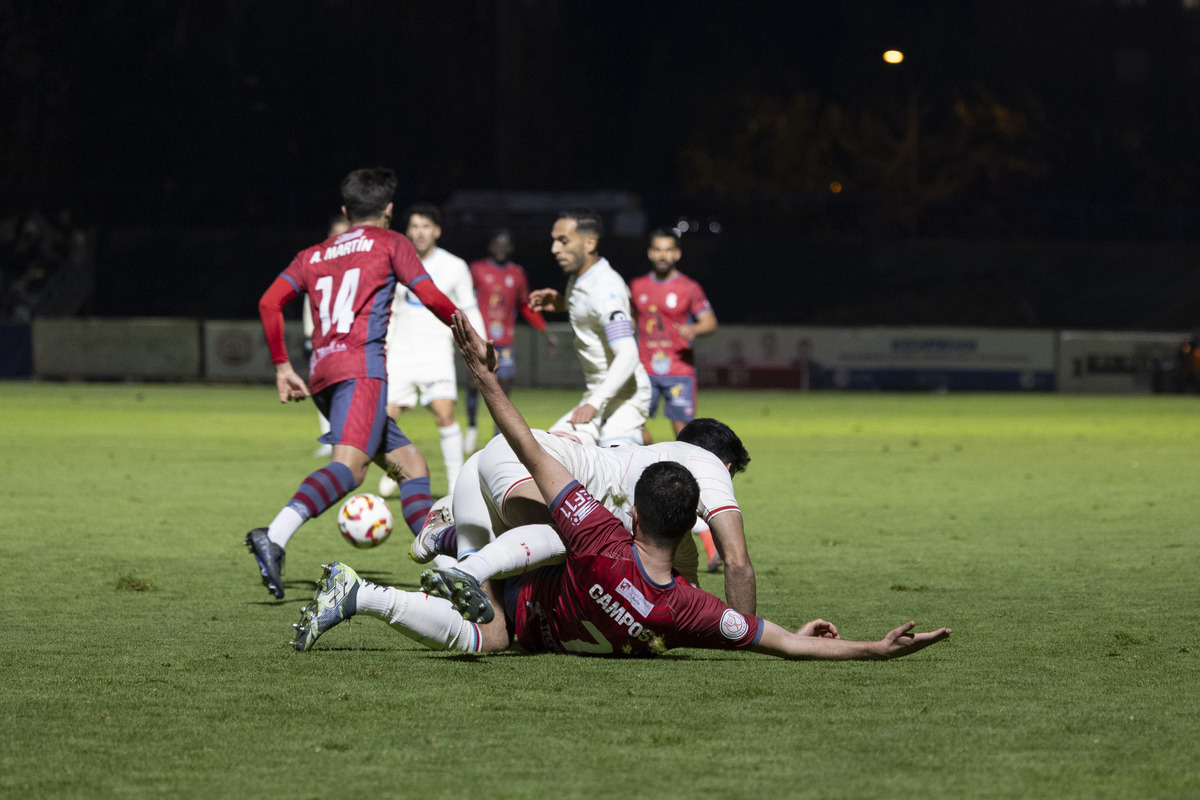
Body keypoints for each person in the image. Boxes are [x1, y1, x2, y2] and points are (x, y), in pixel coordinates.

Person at [290, 311, 951, 662]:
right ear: (691, 528)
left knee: (496, 622)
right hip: (513, 562)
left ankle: (377, 586)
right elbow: (776, 639)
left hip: (513, 556)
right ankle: (450, 561)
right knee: (515, 579)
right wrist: (873, 649)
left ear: (634, 511)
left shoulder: (600, 533)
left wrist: (484, 376)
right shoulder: (686, 610)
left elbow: (525, 443)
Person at [248, 168, 461, 599]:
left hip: (323, 374)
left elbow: (270, 302)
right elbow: (431, 296)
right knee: (350, 469)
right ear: (388, 209)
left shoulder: (313, 255)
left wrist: (281, 366)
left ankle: (448, 569)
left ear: (346, 210)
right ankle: (273, 535)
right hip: (361, 371)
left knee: (413, 468)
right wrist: (472, 336)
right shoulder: (391, 243)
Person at [408, 415, 757, 614]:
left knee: (495, 630)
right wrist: (747, 632)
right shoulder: (708, 466)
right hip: (531, 461)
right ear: (724, 466)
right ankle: (463, 563)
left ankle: (447, 535)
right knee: (571, 537)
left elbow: (686, 602)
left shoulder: (669, 517)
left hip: (507, 466)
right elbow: (737, 561)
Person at [379, 203, 485, 497]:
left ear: (437, 230)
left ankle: (455, 486)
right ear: (407, 231)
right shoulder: (396, 262)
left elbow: (469, 309)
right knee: (384, 419)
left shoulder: (454, 266)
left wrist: (481, 345)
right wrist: (383, 348)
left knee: (444, 415)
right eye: (414, 226)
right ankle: (397, 470)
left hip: (436, 351)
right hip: (400, 352)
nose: (420, 232)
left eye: (426, 226)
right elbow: (391, 311)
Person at [529, 209, 650, 447]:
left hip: (626, 396)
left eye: (563, 241)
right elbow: (593, 310)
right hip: (599, 393)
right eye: (554, 241)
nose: (555, 249)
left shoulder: (605, 289)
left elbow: (628, 355)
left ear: (590, 242)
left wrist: (594, 404)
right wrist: (561, 302)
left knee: (616, 469)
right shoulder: (580, 278)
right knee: (554, 450)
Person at [464, 227, 558, 453]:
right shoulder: (476, 269)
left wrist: (544, 331)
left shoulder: (516, 274)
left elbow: (525, 305)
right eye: (497, 243)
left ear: (510, 248)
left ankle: (499, 434)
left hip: (504, 340)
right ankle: (472, 426)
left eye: (505, 244)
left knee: (504, 384)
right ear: (490, 246)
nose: (501, 248)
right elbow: (464, 299)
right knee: (473, 383)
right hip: (479, 338)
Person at [630, 228, 718, 442]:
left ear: (677, 254)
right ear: (650, 253)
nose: (663, 255)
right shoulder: (636, 286)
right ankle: (648, 462)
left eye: (668, 250)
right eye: (658, 250)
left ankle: (685, 472)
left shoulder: (689, 287)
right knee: (632, 426)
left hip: (679, 370)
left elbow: (710, 322)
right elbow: (630, 320)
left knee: (685, 434)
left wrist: (694, 329)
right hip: (644, 369)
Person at [302, 214, 352, 458]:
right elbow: (309, 302)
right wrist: (308, 334)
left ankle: (347, 437)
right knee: (322, 389)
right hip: (321, 340)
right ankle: (329, 438)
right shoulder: (318, 264)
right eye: (336, 234)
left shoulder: (360, 266)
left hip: (351, 341)